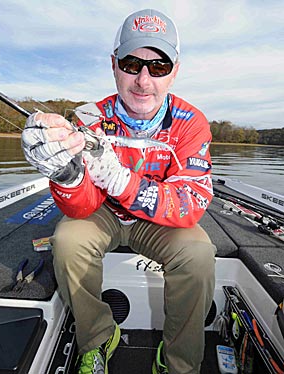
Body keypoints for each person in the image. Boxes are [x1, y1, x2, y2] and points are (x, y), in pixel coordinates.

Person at [22, 8, 216, 374]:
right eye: (132, 64)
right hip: (104, 213)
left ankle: (179, 363)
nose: (144, 80)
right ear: (114, 65)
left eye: (158, 67)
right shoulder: (88, 119)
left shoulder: (192, 124)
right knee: (68, 240)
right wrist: (65, 174)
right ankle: (97, 340)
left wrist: (123, 182)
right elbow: (81, 207)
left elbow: (191, 204)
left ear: (175, 72)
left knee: (199, 255)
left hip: (157, 220)